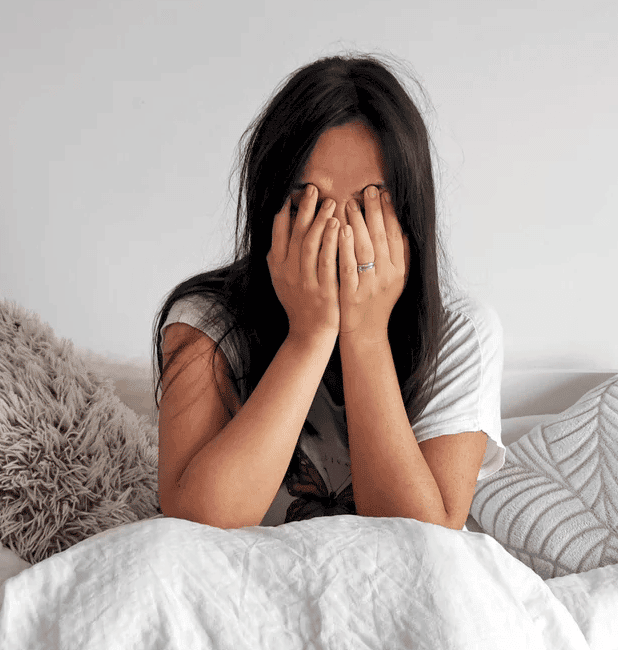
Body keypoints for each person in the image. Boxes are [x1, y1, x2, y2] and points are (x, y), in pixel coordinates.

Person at [153, 53, 504, 530]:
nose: (338, 234)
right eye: (308, 204)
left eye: (368, 207)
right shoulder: (206, 324)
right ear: (270, 207)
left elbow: (426, 539)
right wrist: (310, 334)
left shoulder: (461, 332)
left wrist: (366, 335)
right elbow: (194, 525)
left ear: (408, 217)